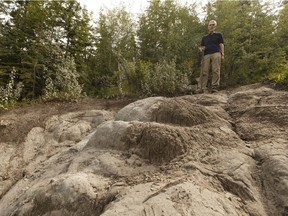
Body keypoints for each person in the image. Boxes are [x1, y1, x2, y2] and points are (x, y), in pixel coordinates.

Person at [197, 20, 224, 93]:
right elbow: (202, 46)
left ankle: (215, 87)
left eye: (213, 25)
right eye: (210, 25)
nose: (211, 26)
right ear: (208, 26)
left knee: (216, 70)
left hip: (216, 53)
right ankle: (202, 88)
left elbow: (221, 44)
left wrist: (222, 54)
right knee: (204, 71)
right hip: (206, 54)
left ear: (215, 26)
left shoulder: (219, 35)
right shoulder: (204, 37)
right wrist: (201, 49)